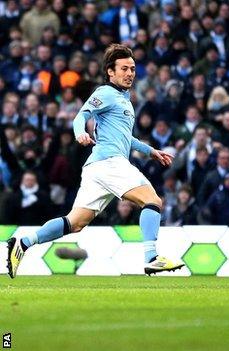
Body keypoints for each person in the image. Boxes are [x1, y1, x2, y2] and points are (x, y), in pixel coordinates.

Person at [6, 44, 183, 278]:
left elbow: (125, 137)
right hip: (110, 163)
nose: (130, 73)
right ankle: (151, 258)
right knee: (152, 201)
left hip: (97, 168)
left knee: (75, 222)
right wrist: (80, 132)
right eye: (124, 69)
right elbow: (81, 115)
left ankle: (23, 243)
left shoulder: (124, 100)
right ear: (111, 71)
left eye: (132, 69)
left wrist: (151, 151)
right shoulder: (105, 93)